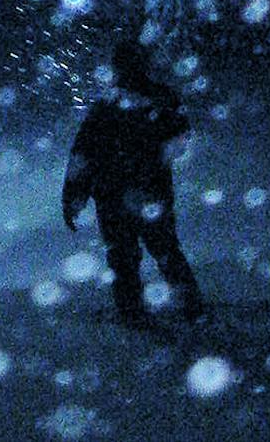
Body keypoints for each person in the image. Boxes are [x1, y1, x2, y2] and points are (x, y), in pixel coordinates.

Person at [62, 37, 204, 325]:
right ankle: (189, 308)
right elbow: (180, 137)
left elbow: (83, 155)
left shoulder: (107, 107)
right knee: (163, 250)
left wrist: (74, 196)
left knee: (126, 256)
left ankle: (134, 313)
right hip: (150, 191)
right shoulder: (159, 99)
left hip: (116, 193)